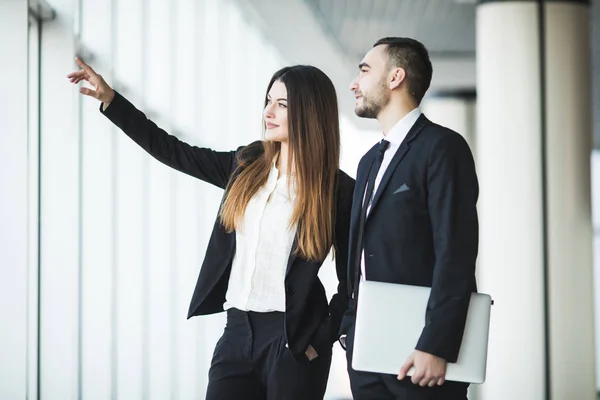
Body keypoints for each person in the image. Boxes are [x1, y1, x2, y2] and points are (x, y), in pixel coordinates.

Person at [67, 58, 354, 400]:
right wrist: (112, 100)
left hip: (294, 339)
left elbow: (352, 282)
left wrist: (319, 341)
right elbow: (174, 152)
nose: (268, 111)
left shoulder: (336, 191)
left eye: (282, 104)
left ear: (309, 113)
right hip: (237, 333)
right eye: (268, 101)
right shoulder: (246, 165)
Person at [338, 37, 479, 399]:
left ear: (396, 77)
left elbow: (456, 252)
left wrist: (436, 344)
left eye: (365, 71)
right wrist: (349, 329)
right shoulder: (369, 161)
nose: (355, 83)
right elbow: (359, 255)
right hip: (367, 354)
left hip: (420, 355)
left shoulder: (442, 148)